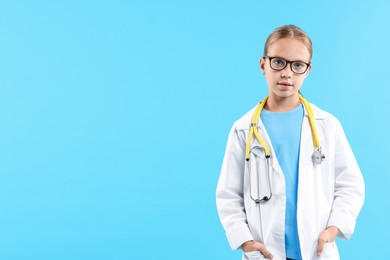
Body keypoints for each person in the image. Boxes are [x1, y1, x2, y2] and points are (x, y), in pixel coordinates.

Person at [216, 25, 365, 260]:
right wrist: (244, 241)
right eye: (278, 62)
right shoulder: (243, 129)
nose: (287, 73)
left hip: (317, 249)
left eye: (297, 65)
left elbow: (350, 185)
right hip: (265, 252)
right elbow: (228, 194)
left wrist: (333, 229)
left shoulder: (327, 125)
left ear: (308, 70)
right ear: (263, 64)